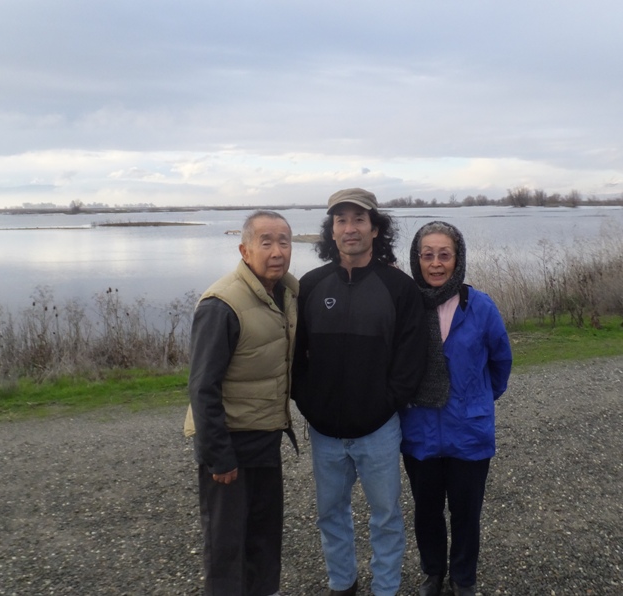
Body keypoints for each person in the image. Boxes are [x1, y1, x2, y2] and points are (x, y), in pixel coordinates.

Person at [292, 188, 427, 596]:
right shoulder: (311, 285)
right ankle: (342, 584)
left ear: (375, 228)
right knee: (330, 513)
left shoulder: (399, 288)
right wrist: (309, 403)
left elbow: (411, 357)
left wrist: (387, 403)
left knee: (385, 516)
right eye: (341, 221)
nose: (349, 229)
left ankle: (386, 588)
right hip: (325, 432)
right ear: (331, 231)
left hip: (379, 430)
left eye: (358, 220)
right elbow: (296, 356)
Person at [183, 210, 299, 596]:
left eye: (284, 241)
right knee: (226, 544)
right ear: (245, 250)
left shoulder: (287, 293)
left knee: (264, 536)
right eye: (266, 242)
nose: (277, 250)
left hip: (265, 436)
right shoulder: (222, 304)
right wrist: (218, 456)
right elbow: (202, 387)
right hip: (230, 443)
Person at [399, 221, 512, 596]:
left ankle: (463, 578)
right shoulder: (406, 306)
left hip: (469, 432)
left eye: (444, 255)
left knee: (466, 514)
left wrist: (476, 399)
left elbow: (500, 362)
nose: (435, 264)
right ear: (417, 259)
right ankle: (433, 573)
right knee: (427, 512)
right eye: (427, 255)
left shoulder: (479, 306)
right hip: (419, 433)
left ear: (458, 258)